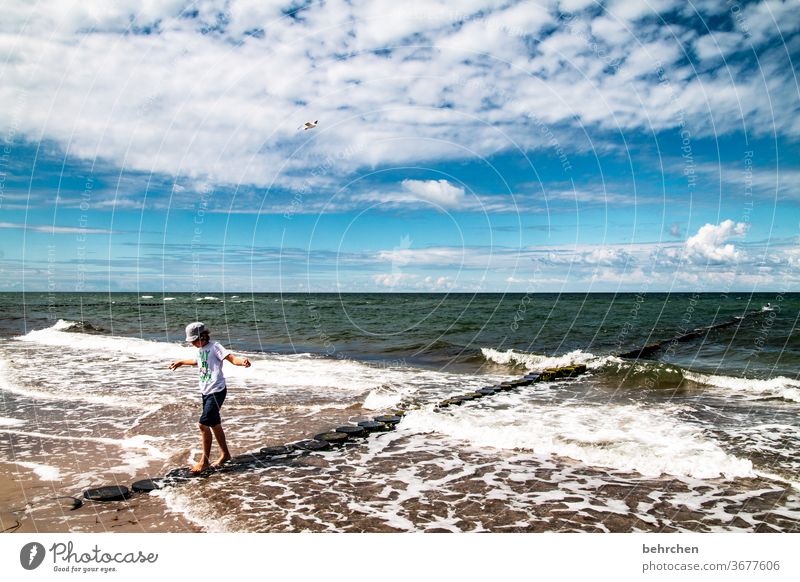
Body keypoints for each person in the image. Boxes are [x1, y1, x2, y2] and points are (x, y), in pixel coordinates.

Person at [169, 322, 251, 473]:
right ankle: (225, 454)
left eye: (194, 340)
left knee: (202, 425)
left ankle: (204, 462)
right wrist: (181, 362)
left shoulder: (215, 346)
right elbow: (196, 362)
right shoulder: (200, 349)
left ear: (202, 336)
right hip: (206, 392)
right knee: (214, 424)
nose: (192, 343)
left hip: (217, 390)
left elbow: (231, 359)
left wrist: (243, 362)